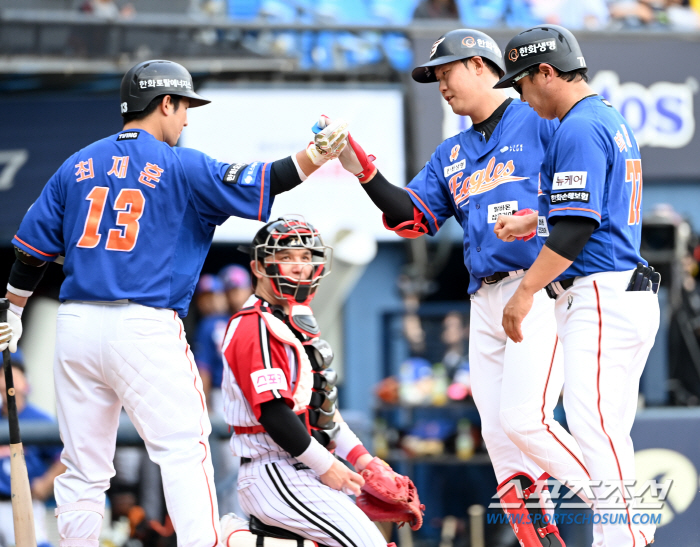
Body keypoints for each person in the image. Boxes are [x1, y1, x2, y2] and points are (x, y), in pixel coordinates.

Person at [0, 59, 348, 547]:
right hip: (143, 326)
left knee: (82, 468)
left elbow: (30, 252)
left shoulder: (75, 163)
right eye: (183, 107)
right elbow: (268, 178)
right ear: (165, 103)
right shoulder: (181, 163)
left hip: (74, 325)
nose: (186, 119)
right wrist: (317, 152)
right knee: (184, 451)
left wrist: (14, 311)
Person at [329, 28, 596, 545]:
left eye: (446, 71)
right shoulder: (453, 151)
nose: (441, 85)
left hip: (539, 283)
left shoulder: (539, 117)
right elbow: (414, 215)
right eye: (434, 77)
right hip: (485, 296)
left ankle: (619, 507)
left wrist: (541, 225)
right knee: (499, 437)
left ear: (480, 65)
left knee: (527, 420)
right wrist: (363, 171)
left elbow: (585, 190)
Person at [494, 24, 660, 546]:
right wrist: (535, 220)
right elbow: (589, 214)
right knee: (605, 430)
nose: (520, 95)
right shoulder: (604, 117)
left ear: (547, 71)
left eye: (522, 82)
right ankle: (629, 537)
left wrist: (523, 294)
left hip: (602, 293)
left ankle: (628, 540)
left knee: (597, 431)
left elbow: (579, 227)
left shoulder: (578, 125)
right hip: (619, 290)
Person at [219, 217, 420, 547]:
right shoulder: (254, 324)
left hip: (300, 466)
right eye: (285, 258)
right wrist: (328, 466)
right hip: (274, 470)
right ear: (258, 267)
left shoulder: (293, 321)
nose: (298, 267)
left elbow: (321, 411)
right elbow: (273, 413)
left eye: (305, 257)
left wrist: (364, 461)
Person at [0, 352, 66, 547]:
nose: (5, 383)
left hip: (24, 503)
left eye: (11, 375)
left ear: (25, 382)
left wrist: (45, 483)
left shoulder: (39, 419)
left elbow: (65, 457)